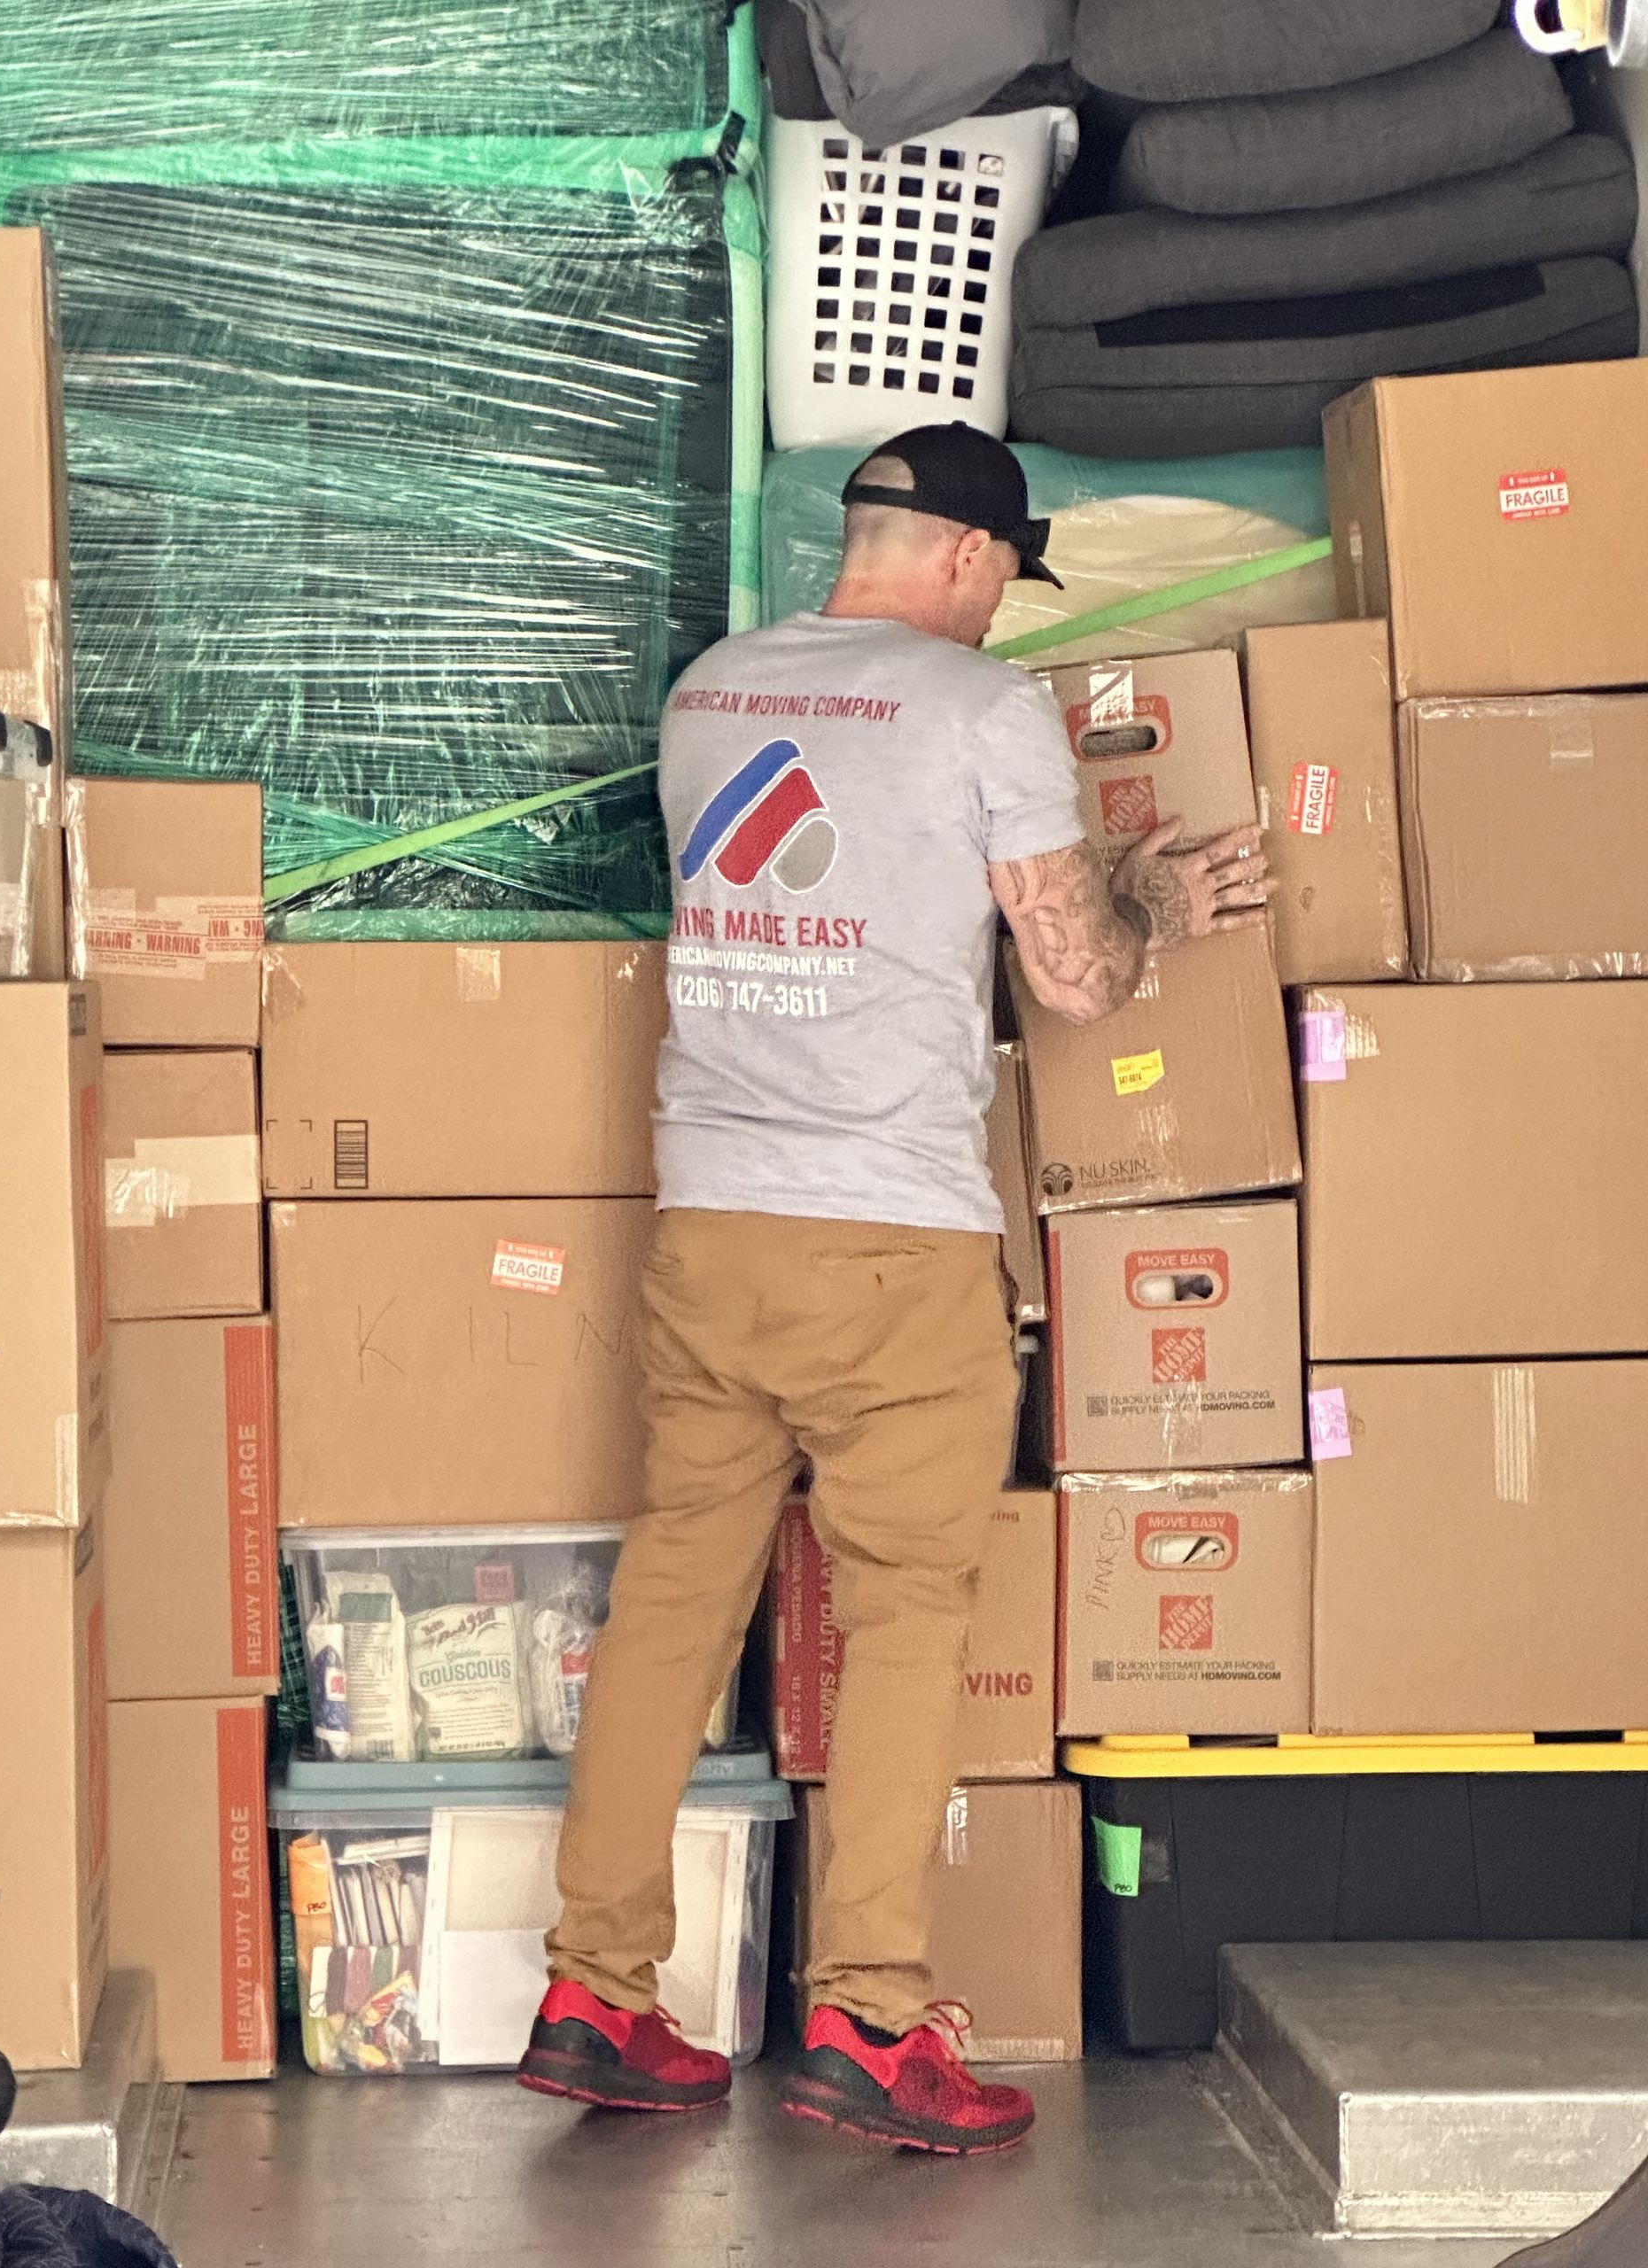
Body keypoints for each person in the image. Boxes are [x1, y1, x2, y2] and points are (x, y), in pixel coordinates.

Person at [517, 423, 1271, 2154]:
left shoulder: (711, 690)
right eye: (1007, 576)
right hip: (892, 1236)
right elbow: (1073, 978)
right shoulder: (983, 710)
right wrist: (1149, 895)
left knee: (676, 1598)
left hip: (708, 1218)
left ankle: (599, 1984)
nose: (1005, 610)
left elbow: (835, 884)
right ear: (962, 557)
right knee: (909, 1611)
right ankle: (867, 2013)